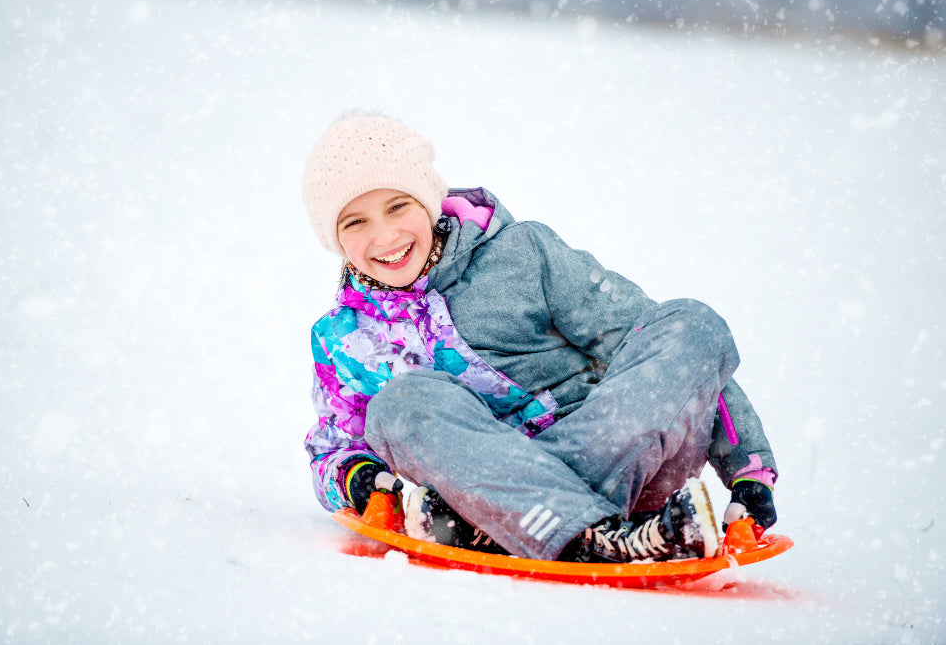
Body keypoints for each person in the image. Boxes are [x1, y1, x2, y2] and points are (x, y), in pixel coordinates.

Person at [301, 111, 778, 563]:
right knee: (401, 403)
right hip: (479, 477)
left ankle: (514, 526)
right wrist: (357, 477)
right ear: (334, 239)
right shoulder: (343, 338)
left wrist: (749, 471)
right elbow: (335, 448)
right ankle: (587, 533)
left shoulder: (522, 253)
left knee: (692, 322)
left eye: (397, 205)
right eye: (355, 221)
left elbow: (649, 341)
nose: (384, 235)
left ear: (426, 201)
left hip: (616, 454)